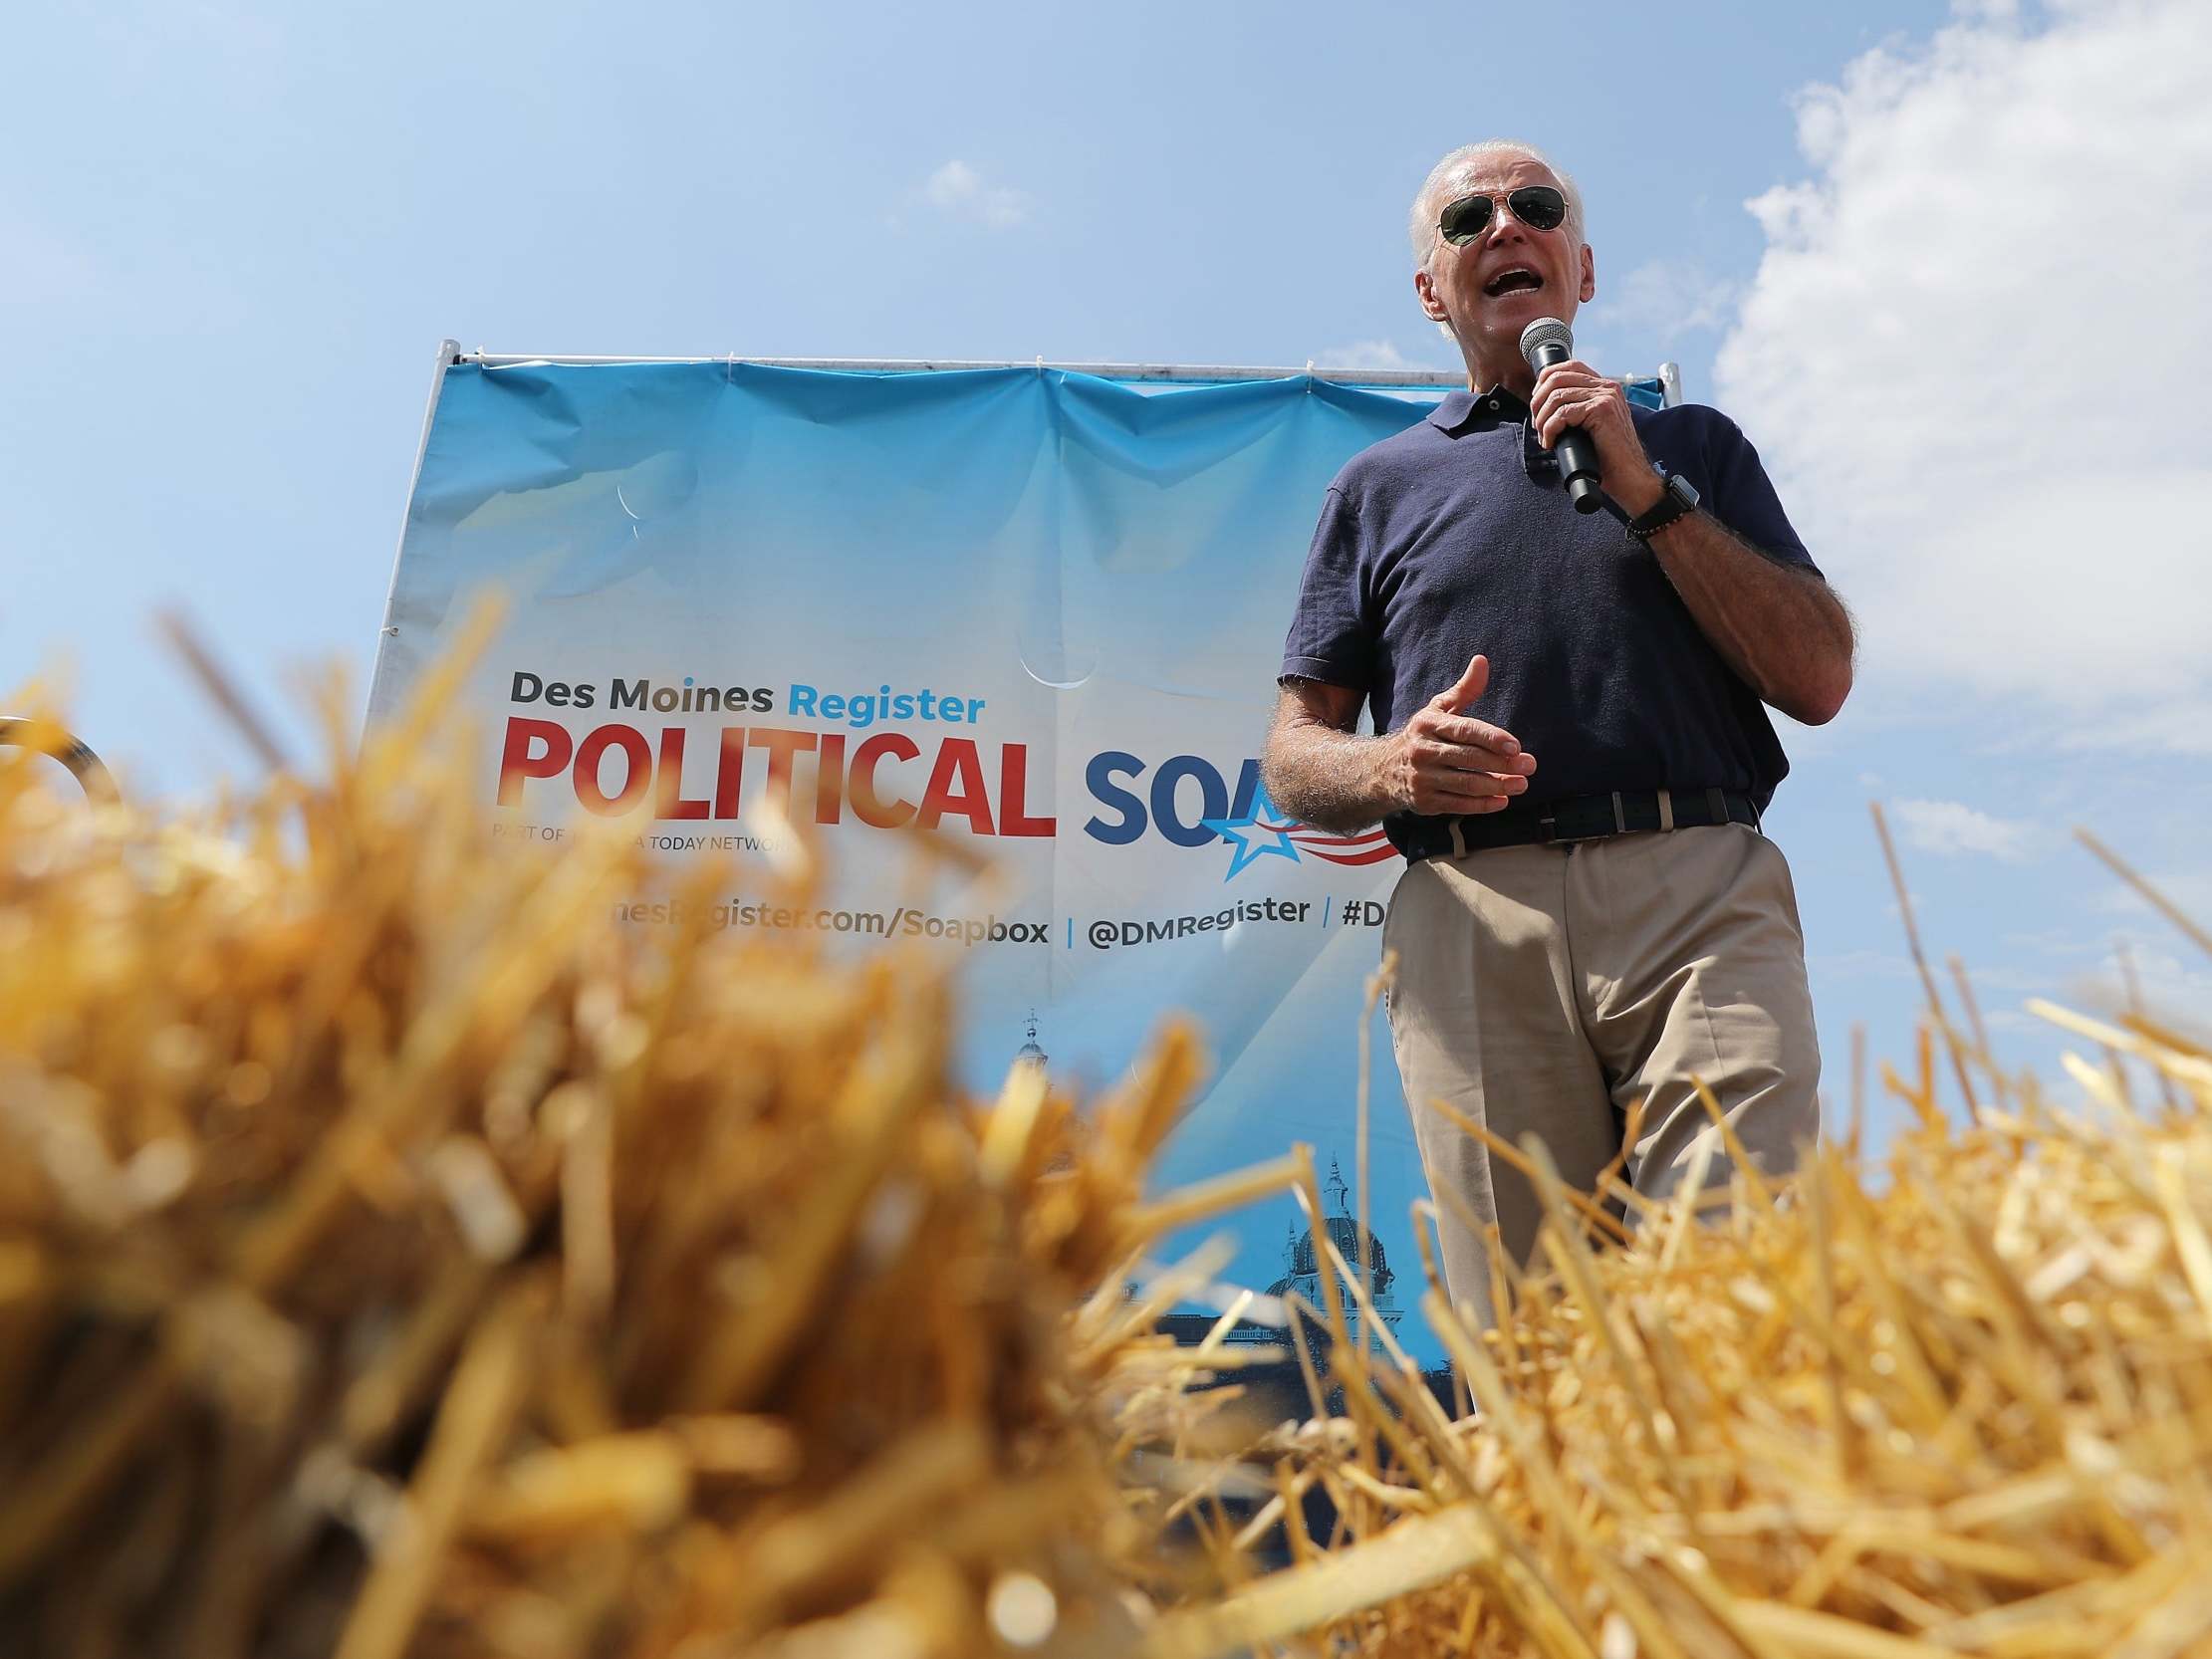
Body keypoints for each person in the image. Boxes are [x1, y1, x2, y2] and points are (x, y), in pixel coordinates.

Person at [1262, 139, 1855, 1328]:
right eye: (1466, 217)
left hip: (1696, 891)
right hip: (1472, 914)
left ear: (1580, 269)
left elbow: (1818, 672)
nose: (1504, 226)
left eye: (1534, 208)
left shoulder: (1692, 447)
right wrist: (1387, 764)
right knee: (1528, 1341)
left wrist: (1647, 491)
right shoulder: (1376, 488)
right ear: (1431, 290)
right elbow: (1292, 752)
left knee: (1736, 1290)